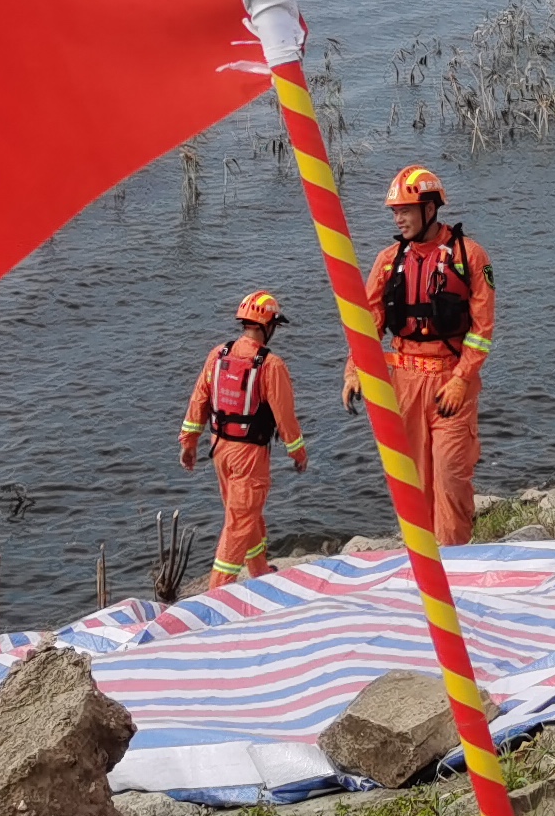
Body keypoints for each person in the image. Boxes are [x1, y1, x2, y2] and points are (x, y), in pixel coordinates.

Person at [344, 168, 493, 549]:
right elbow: (367, 322)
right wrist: (355, 370)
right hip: (404, 384)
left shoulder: (469, 256)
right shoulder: (389, 260)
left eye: (405, 210)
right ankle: (425, 565)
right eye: (395, 212)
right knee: (413, 482)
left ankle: (455, 561)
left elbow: (482, 327)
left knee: (451, 476)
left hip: (451, 385)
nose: (398, 219)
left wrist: (462, 378)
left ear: (429, 209)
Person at [183, 289, 308, 583]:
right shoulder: (270, 365)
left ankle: (259, 571)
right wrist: (298, 453)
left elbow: (199, 400)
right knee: (239, 521)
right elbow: (285, 417)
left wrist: (189, 443)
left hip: (220, 450)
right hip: (249, 456)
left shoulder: (219, 354)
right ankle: (217, 592)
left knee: (246, 513)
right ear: (269, 326)